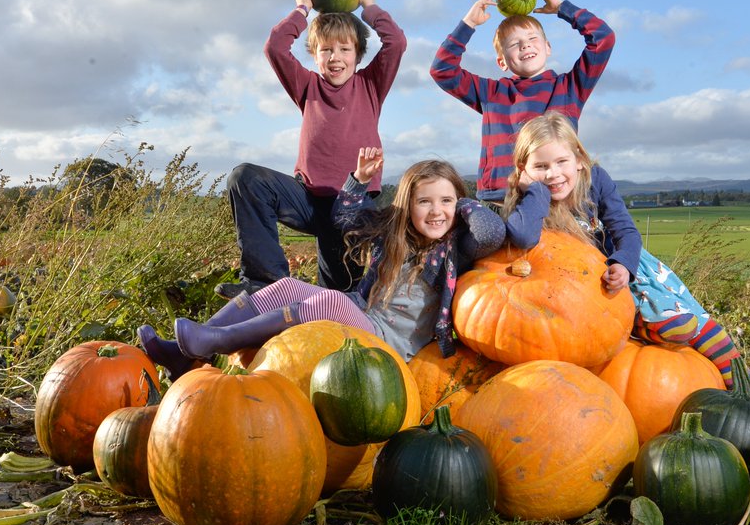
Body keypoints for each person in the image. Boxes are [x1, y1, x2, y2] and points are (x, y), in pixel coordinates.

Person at [140, 149, 506, 380]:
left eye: (445, 200)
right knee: (283, 287)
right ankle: (181, 353)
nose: (436, 210)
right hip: (366, 318)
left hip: (391, 349)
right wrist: (359, 181)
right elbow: (343, 218)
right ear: (408, 205)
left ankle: (215, 342)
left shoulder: (455, 249)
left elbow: (491, 234)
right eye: (425, 201)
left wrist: (465, 204)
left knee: (332, 301)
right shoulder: (394, 234)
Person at [502, 112, 750, 402]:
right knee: (633, 324)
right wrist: (534, 192)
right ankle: (645, 327)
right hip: (584, 292)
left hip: (625, 269)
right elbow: (523, 236)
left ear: (579, 159)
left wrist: (623, 264)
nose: (553, 174)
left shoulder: (597, 181)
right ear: (523, 169)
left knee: (696, 322)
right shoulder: (530, 201)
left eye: (561, 162)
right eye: (540, 166)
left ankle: (749, 389)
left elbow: (626, 231)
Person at [215, 0, 407, 299]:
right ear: (314, 56)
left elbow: (396, 43)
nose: (335, 58)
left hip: (352, 208)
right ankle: (266, 283)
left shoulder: (371, 85)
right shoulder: (307, 86)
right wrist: (301, 8)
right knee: (245, 178)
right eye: (326, 50)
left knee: (338, 297)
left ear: (359, 55)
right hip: (307, 200)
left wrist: (369, 6)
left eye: (345, 49)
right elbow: (275, 48)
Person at [430, 0, 614, 203]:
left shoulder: (569, 87)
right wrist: (468, 23)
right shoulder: (491, 93)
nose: (525, 46)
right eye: (514, 44)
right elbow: (442, 70)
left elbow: (603, 38)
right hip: (500, 199)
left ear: (548, 47)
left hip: (554, 199)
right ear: (501, 62)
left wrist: (562, 8)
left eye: (532, 39)